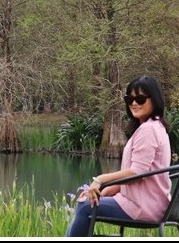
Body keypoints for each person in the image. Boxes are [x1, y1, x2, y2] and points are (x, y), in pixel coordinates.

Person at [65, 75, 172, 237]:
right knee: (86, 202)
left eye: (141, 99)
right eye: (130, 99)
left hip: (143, 207)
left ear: (155, 100)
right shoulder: (155, 127)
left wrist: (100, 179)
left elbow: (137, 173)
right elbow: (138, 178)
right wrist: (106, 191)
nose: (134, 103)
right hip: (148, 203)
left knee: (85, 206)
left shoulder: (148, 130)